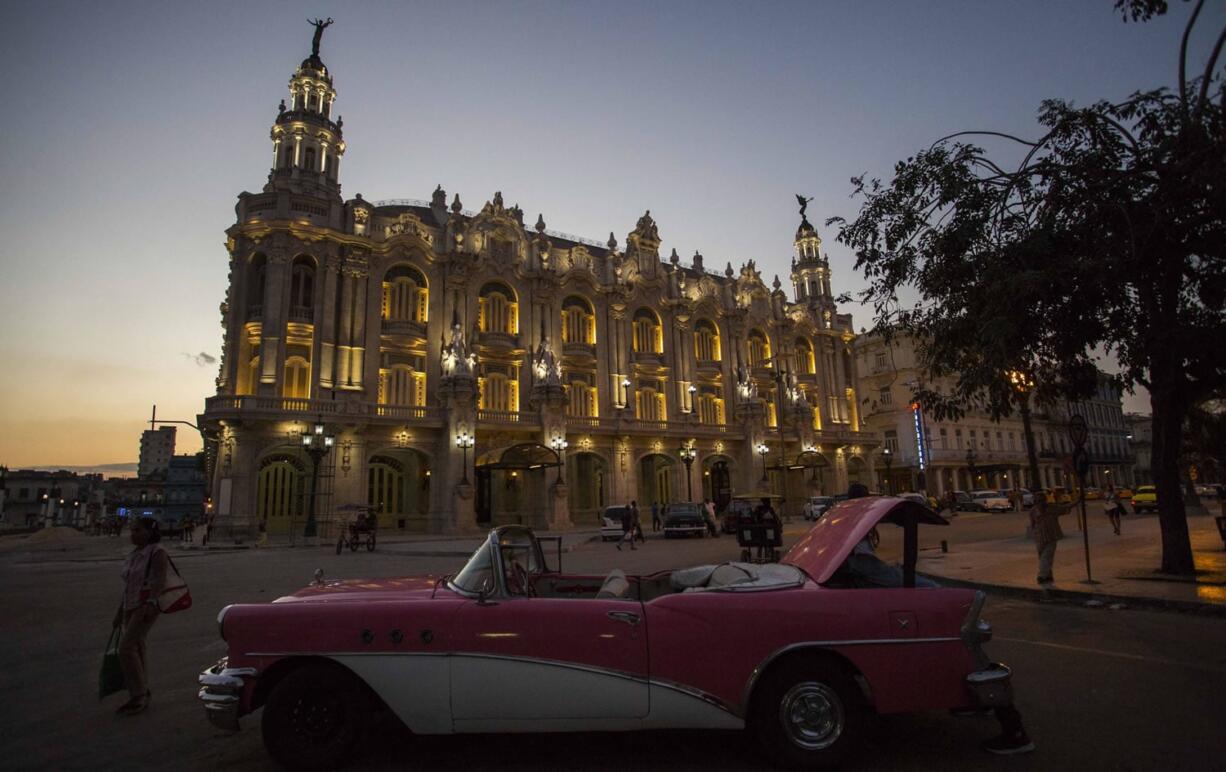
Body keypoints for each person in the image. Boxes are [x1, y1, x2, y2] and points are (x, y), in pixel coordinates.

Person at [112, 517, 168, 715]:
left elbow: (161, 580)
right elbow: (129, 586)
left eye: (137, 530)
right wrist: (120, 611)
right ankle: (142, 688)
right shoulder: (134, 554)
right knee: (137, 645)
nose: (132, 534)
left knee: (126, 648)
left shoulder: (157, 552)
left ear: (149, 532)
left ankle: (138, 695)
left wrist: (152, 603)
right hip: (130, 605)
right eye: (132, 530)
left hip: (145, 606)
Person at [1030, 495, 1068, 585]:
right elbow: (1032, 523)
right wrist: (1035, 533)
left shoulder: (1052, 508)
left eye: (1042, 500)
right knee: (1043, 557)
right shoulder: (1033, 511)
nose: (1041, 503)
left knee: (1046, 556)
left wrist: (1078, 500)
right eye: (1038, 501)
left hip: (1051, 536)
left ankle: (1041, 575)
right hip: (1040, 536)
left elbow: (1066, 507)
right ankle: (1048, 575)